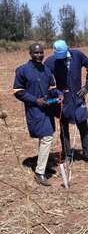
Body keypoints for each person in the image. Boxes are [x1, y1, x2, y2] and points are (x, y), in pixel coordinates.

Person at [13, 43, 62, 186]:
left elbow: (52, 88)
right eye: (36, 53)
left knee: (45, 137)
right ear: (30, 53)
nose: (39, 55)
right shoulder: (22, 70)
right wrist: (35, 100)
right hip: (34, 110)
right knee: (46, 137)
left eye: (41, 52)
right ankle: (40, 173)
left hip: (48, 110)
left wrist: (58, 94)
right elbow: (17, 91)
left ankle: (42, 164)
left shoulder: (47, 70)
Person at [44, 40, 88, 162]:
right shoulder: (51, 61)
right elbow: (45, 78)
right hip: (62, 100)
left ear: (67, 48)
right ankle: (67, 154)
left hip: (78, 97)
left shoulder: (77, 55)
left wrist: (86, 87)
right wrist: (56, 92)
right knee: (63, 127)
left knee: (83, 125)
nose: (60, 58)